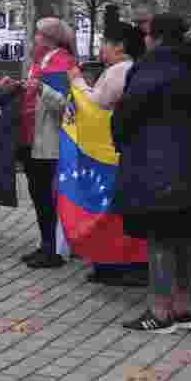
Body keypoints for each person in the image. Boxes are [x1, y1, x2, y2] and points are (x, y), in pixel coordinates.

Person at [112, 13, 191, 333]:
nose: (144, 40)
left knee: (160, 240)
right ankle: (181, 307)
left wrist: (122, 142)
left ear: (157, 38)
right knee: (187, 238)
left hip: (155, 167)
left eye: (148, 35)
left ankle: (159, 313)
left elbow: (125, 117)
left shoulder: (150, 69)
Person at [62, 21, 148, 287]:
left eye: (104, 44)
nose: (101, 49)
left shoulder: (118, 71)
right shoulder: (136, 68)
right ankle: (125, 262)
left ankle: (116, 263)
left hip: (109, 153)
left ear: (119, 47)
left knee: (110, 210)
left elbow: (94, 105)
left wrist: (77, 82)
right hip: (128, 149)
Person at [0, 17, 77, 268]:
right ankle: (46, 244)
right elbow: (33, 90)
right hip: (31, 136)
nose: (34, 38)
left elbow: (66, 105)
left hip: (47, 140)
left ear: (50, 38)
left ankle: (52, 249)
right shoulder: (40, 62)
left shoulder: (62, 62)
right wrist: (17, 86)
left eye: (38, 35)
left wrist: (41, 88)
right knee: (38, 193)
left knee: (45, 195)